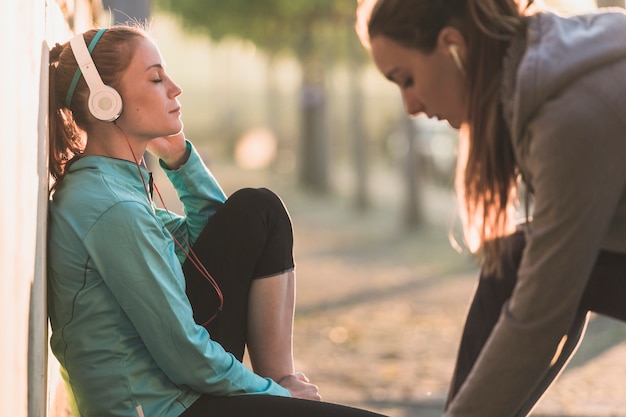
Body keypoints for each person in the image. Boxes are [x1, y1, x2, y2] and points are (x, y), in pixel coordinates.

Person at [47, 25, 387, 417]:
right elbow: (184, 353)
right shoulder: (110, 207)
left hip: (179, 397)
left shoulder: (115, 189)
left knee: (259, 210)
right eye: (156, 78)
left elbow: (222, 241)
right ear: (105, 101)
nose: (175, 89)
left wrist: (181, 162)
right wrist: (274, 394)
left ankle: (283, 386)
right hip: (160, 410)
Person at [356, 0, 626, 416]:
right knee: (517, 260)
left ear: (452, 46)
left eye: (406, 79)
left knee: (524, 271)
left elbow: (540, 315)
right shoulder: (547, 75)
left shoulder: (570, 114)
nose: (410, 106)